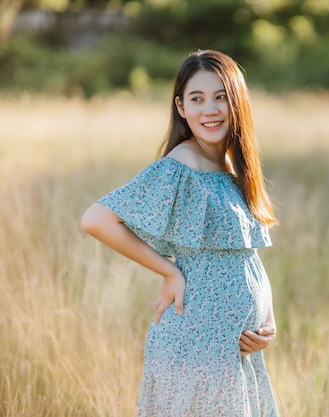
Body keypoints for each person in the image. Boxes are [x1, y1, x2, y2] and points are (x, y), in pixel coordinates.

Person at [81, 49, 280, 417]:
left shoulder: (232, 165)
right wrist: (169, 271)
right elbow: (96, 219)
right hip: (197, 344)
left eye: (221, 97)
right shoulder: (181, 164)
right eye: (197, 99)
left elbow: (241, 258)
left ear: (237, 103)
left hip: (231, 350)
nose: (211, 109)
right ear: (181, 107)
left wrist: (266, 322)